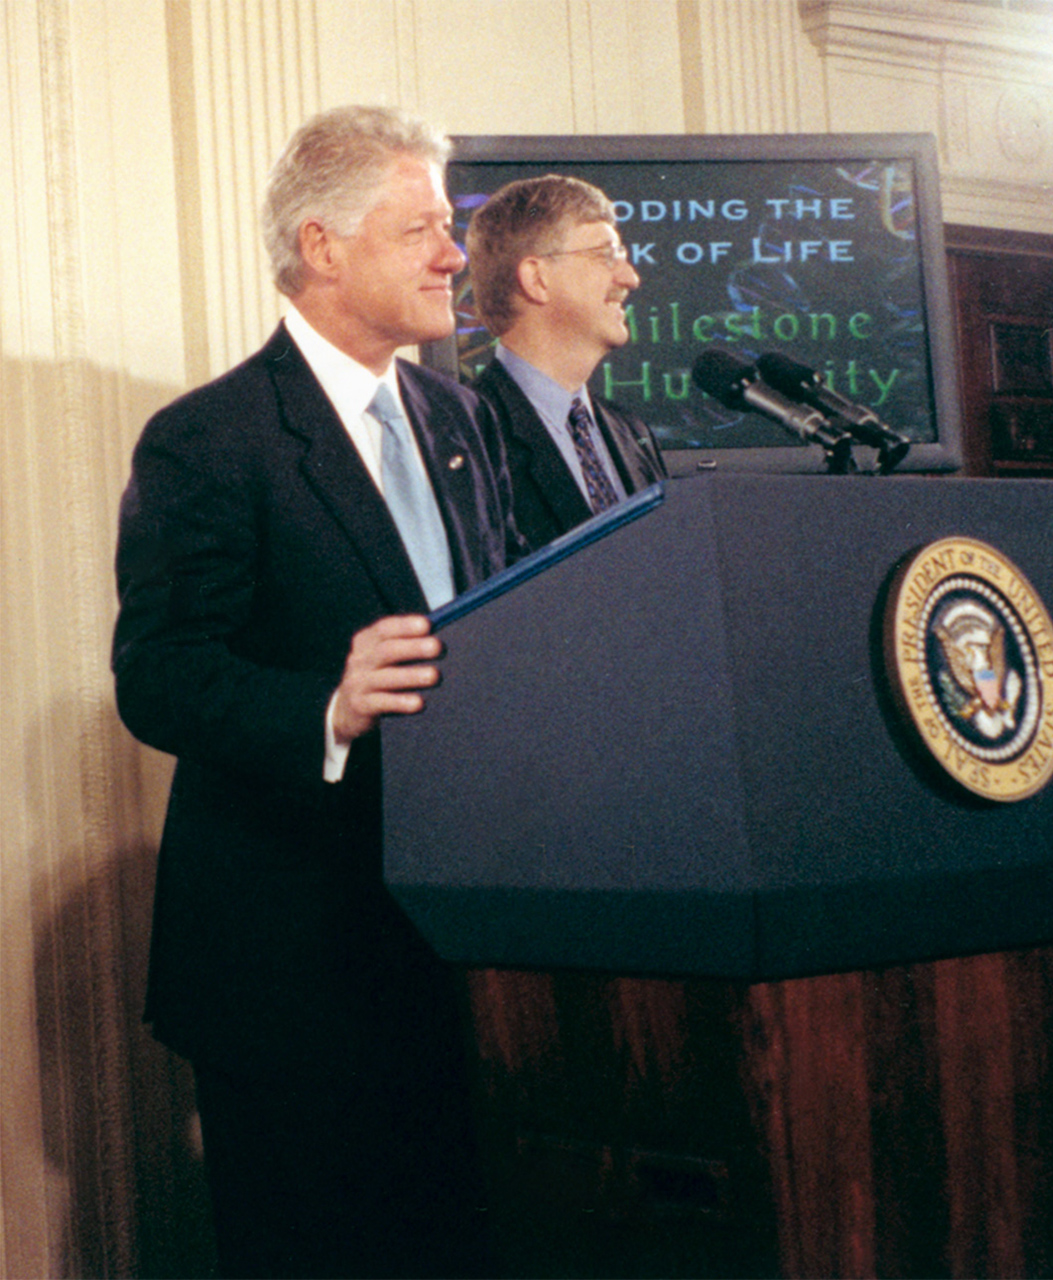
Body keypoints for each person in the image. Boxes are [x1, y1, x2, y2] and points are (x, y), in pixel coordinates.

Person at [112, 105, 523, 1278]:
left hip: (467, 942)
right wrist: (325, 709)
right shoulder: (208, 438)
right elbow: (159, 673)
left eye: (450, 228)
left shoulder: (458, 420)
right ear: (323, 245)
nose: (455, 256)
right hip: (293, 969)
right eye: (423, 231)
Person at [463, 173, 666, 550]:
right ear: (537, 279)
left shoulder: (629, 431)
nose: (630, 277)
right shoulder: (468, 436)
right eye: (607, 256)